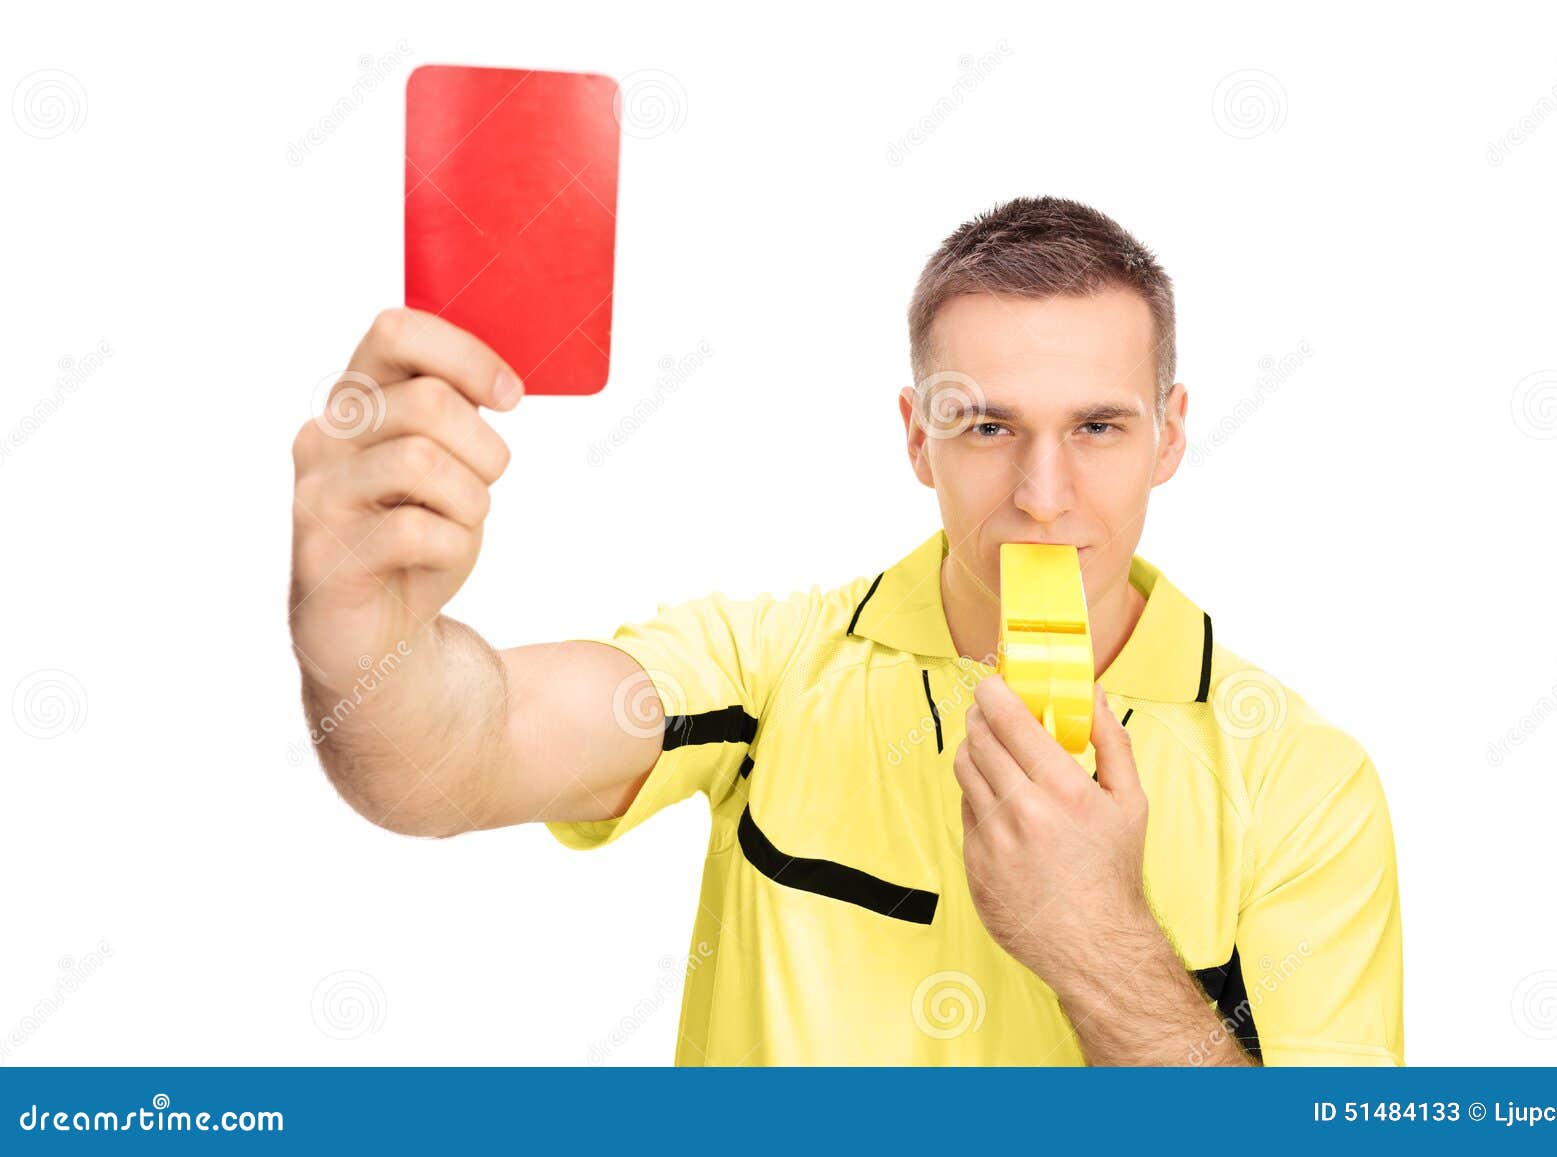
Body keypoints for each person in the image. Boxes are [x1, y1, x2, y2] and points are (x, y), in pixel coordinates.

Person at [288, 195, 1403, 1066]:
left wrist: (1095, 939)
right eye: (987, 425)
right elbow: (448, 759)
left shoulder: (1305, 785)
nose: (1044, 493)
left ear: (1168, 435)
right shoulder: (771, 670)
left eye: (1099, 426)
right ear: (919, 438)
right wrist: (359, 642)